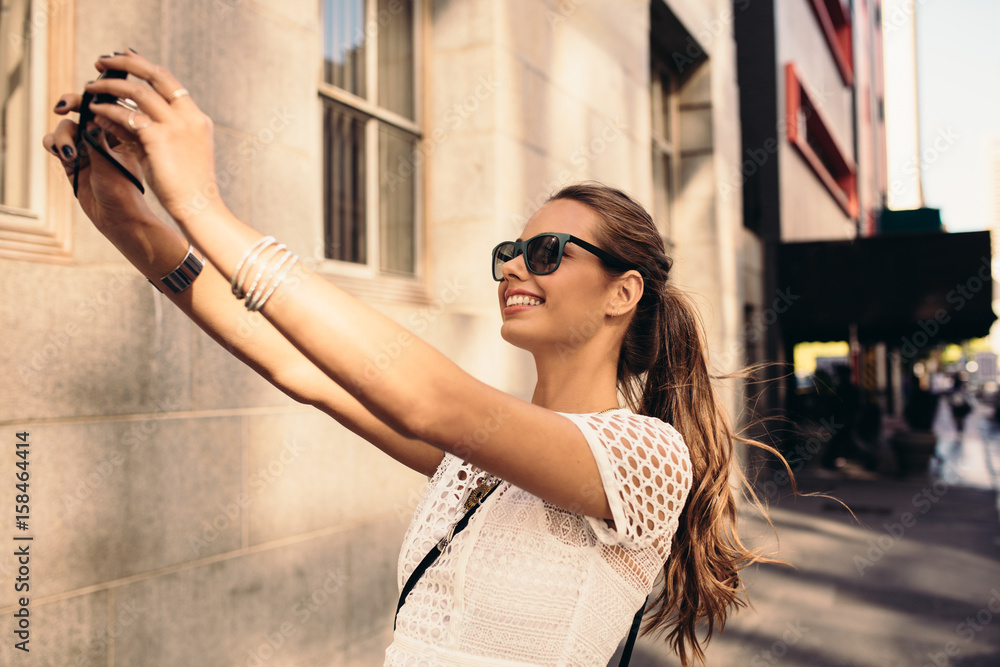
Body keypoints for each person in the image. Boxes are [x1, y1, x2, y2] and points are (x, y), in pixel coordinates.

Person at [44, 51, 787, 666]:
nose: (514, 270)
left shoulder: (646, 454)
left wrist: (203, 203)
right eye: (509, 253)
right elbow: (295, 366)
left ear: (623, 291)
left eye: (546, 252)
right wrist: (132, 220)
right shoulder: (481, 461)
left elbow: (431, 401)